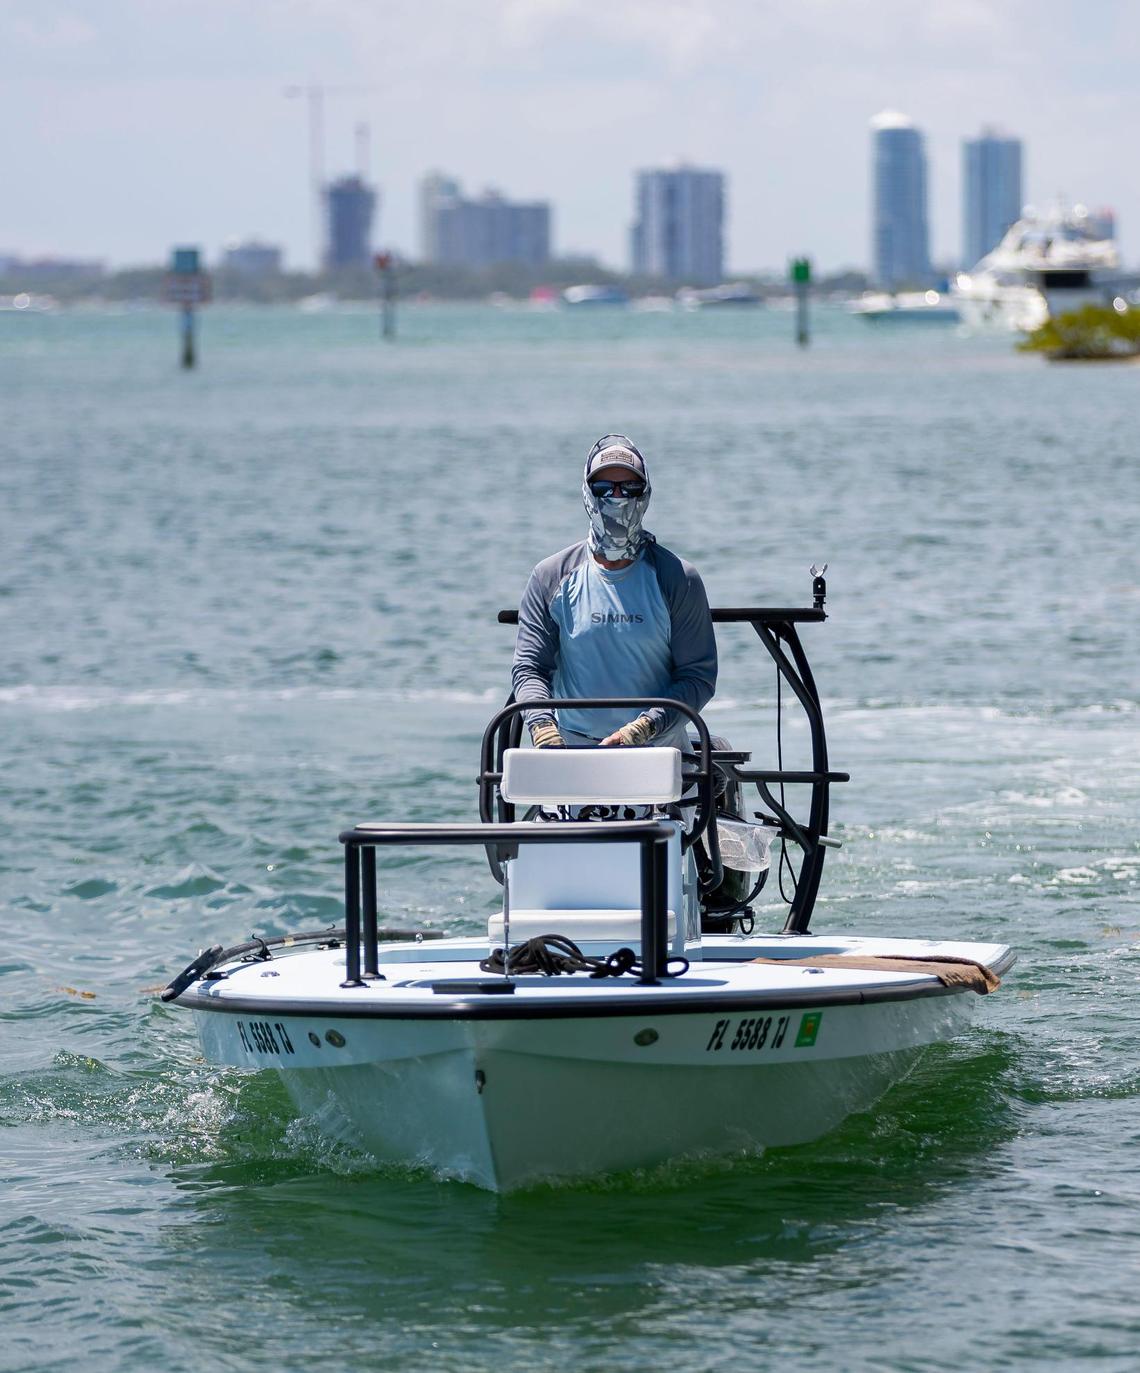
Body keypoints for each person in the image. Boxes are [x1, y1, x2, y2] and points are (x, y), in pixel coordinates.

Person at [512, 434, 717, 756]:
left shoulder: (678, 577)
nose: (617, 497)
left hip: (659, 751)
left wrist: (645, 726)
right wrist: (542, 726)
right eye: (603, 489)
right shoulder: (550, 576)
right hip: (570, 751)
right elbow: (530, 667)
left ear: (645, 494)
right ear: (586, 494)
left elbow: (697, 676)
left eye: (629, 489)